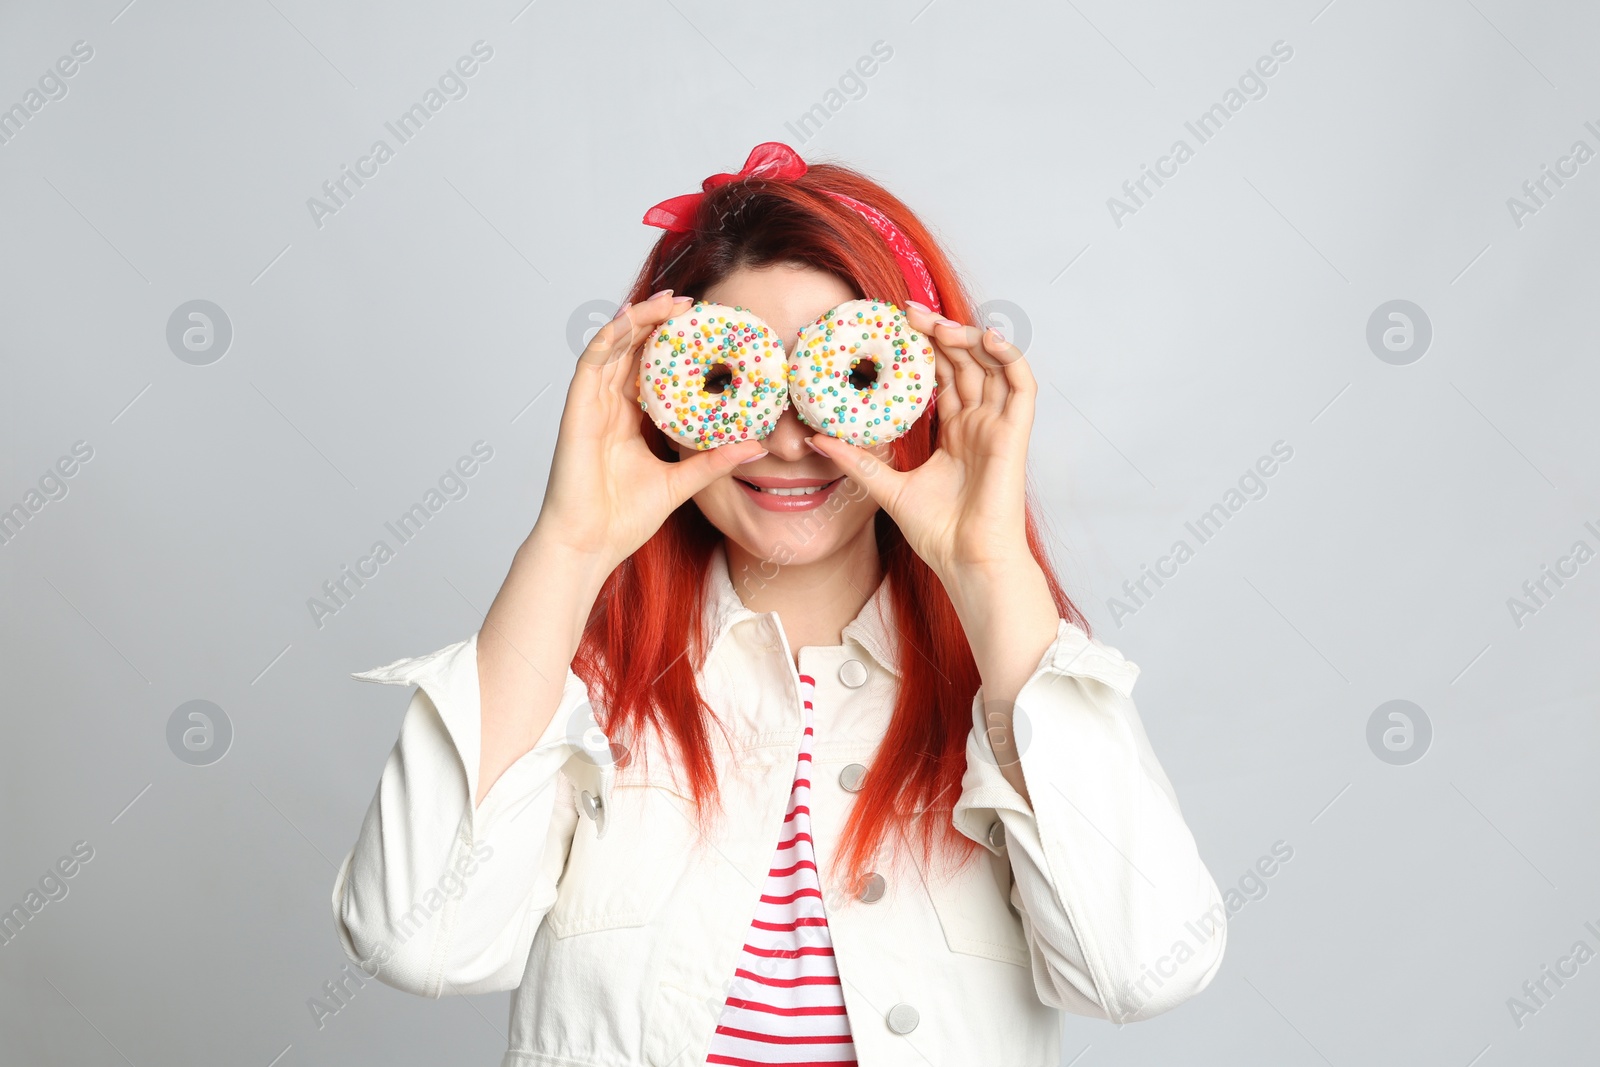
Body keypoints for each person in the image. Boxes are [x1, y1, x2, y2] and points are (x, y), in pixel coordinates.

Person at [331, 143, 1227, 1067]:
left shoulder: (999, 689)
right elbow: (418, 941)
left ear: (918, 394)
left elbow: (1140, 971)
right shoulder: (586, 690)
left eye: (843, 382)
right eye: (734, 382)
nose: (789, 438)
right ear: (659, 392)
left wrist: (990, 567)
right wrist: (569, 544)